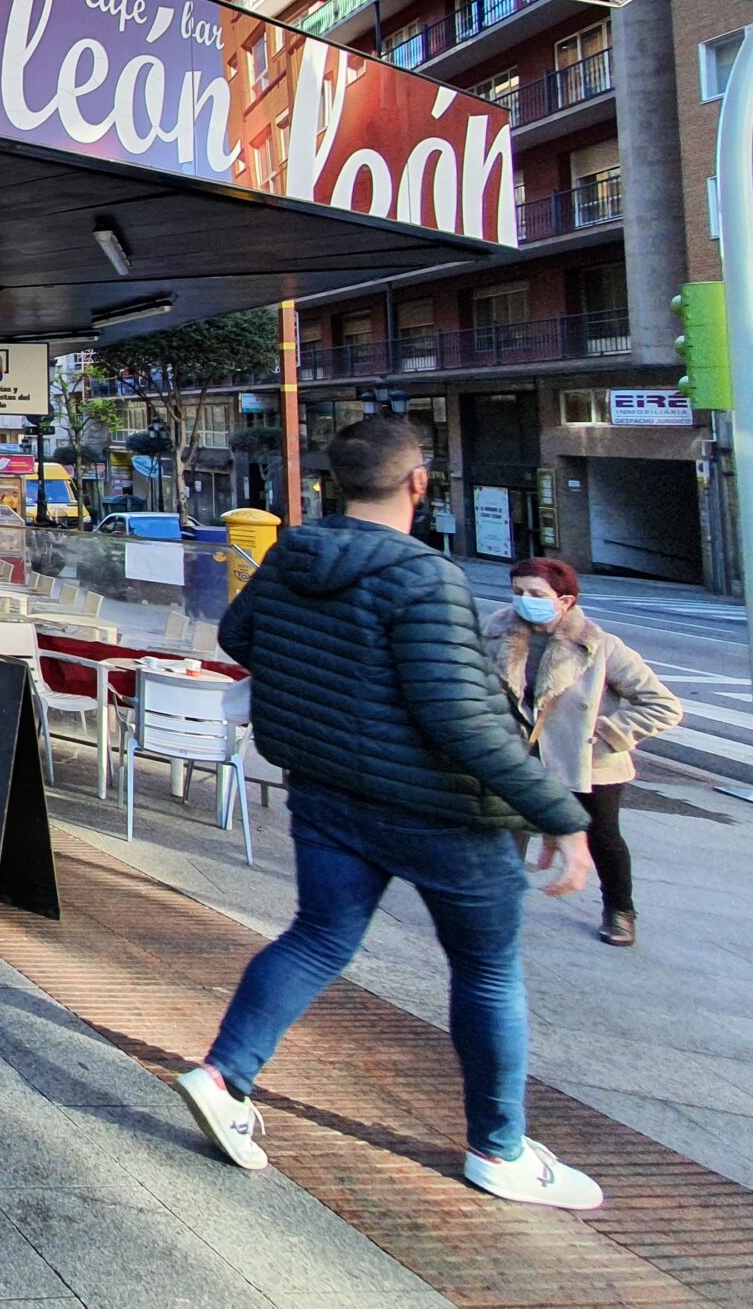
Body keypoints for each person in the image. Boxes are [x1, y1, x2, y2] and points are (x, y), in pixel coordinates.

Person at [174, 415, 606, 1211]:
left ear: (336, 484)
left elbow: (240, 632)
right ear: (418, 483)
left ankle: (222, 1074)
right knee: (485, 968)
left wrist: (326, 684)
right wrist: (559, 814)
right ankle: (498, 1150)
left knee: (317, 936)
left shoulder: (291, 556)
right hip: (438, 810)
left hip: (327, 791)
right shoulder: (424, 576)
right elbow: (460, 719)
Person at [485, 557, 682, 949]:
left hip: (589, 764)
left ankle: (620, 911)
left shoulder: (599, 645)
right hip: (522, 757)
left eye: (536, 594)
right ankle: (496, 908)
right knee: (507, 831)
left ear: (566, 601)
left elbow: (663, 705)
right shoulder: (495, 635)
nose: (525, 601)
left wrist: (605, 736)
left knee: (603, 837)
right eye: (519, 592)